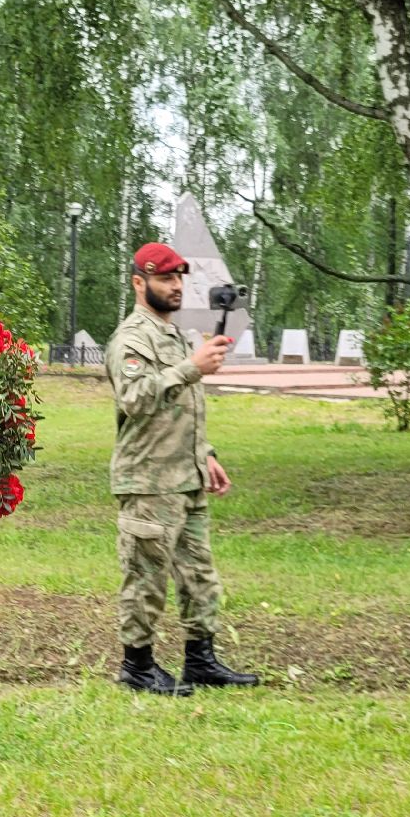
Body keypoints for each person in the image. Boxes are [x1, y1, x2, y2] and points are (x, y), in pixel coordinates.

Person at [105, 242, 263, 696]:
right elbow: (135, 399)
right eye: (165, 278)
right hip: (149, 482)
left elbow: (181, 409)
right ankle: (137, 667)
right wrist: (191, 368)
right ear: (139, 283)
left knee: (200, 576)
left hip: (186, 478)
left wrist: (206, 455)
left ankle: (201, 661)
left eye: (178, 279)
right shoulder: (132, 338)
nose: (175, 286)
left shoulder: (174, 336)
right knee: (146, 578)